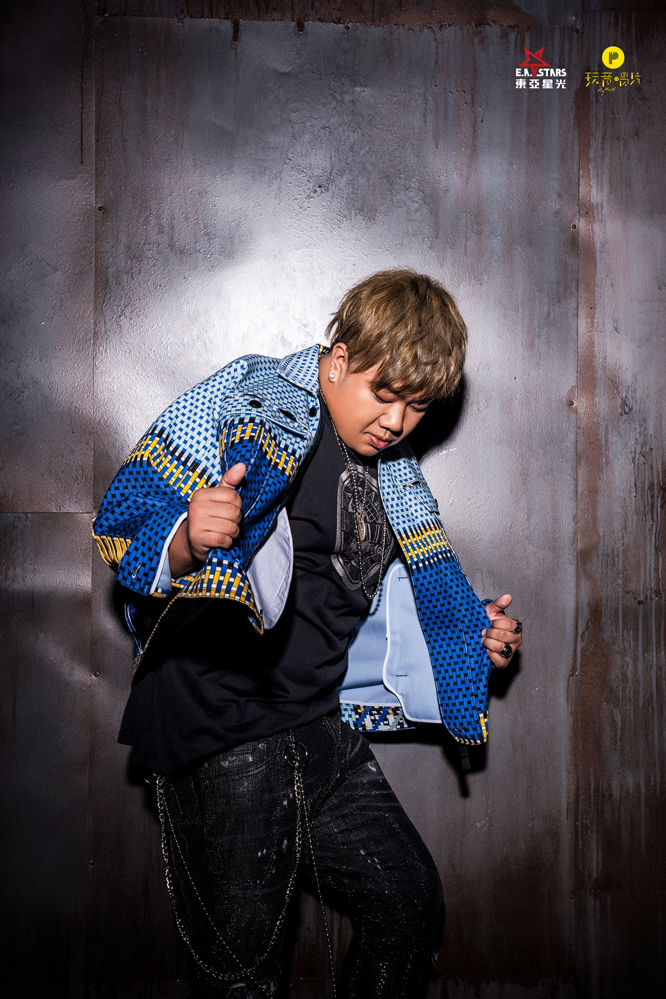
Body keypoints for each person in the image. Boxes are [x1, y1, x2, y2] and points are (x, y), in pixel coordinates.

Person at [93, 269, 522, 999]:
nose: (396, 421)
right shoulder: (258, 400)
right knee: (245, 975)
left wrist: (469, 631)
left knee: (408, 903)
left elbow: (355, 594)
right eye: (384, 393)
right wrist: (187, 540)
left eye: (418, 406)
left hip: (315, 723)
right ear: (340, 358)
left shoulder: (396, 479)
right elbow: (126, 518)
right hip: (224, 721)